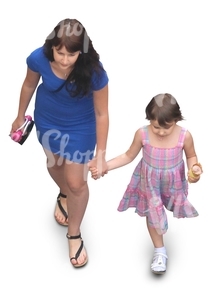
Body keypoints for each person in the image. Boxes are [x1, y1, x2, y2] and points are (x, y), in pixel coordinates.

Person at [10, 18, 109, 268]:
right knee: (54, 165)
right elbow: (29, 84)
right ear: (51, 47)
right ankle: (63, 194)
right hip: (48, 120)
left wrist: (101, 154)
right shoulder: (38, 58)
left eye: (72, 53)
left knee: (77, 182)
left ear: (82, 51)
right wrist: (20, 115)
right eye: (60, 52)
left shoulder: (95, 72)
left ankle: (74, 233)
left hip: (81, 127)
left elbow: (102, 114)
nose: (64, 59)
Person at [90, 93, 203, 274]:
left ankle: (162, 239)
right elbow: (128, 155)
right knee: (154, 213)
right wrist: (105, 166)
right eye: (156, 125)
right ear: (149, 119)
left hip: (173, 183)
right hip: (150, 183)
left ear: (176, 119)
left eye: (167, 127)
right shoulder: (142, 133)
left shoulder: (184, 136)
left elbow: (191, 155)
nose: (160, 132)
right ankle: (160, 251)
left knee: (170, 207)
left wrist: (194, 168)